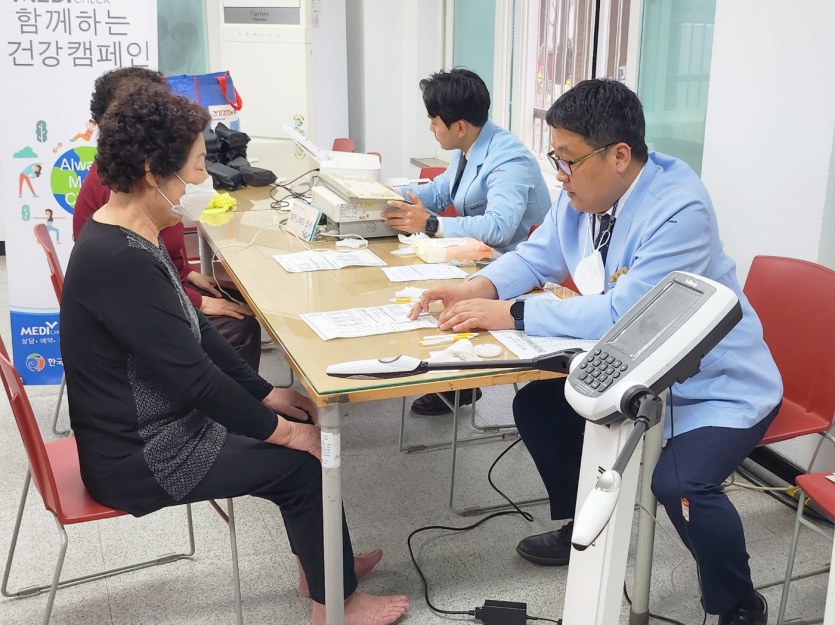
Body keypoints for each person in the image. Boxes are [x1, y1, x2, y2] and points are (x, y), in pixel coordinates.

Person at [408, 78, 781, 625]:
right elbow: (536, 257)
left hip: (713, 385)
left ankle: (740, 605)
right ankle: (582, 524)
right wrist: (474, 289)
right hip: (633, 371)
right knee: (538, 407)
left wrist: (512, 313)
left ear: (619, 156)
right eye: (555, 159)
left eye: (568, 160)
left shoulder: (680, 208)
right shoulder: (584, 194)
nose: (559, 175)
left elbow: (628, 314)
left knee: (681, 484)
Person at [60, 84, 409, 625]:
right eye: (197, 166)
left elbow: (193, 331)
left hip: (160, 427)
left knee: (302, 426)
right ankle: (336, 606)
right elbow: (196, 380)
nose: (203, 179)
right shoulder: (119, 258)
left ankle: (323, 569)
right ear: (154, 171)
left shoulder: (130, 233)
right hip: (141, 454)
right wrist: (283, 432)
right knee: (303, 464)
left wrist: (266, 394)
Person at [384, 68, 551, 416]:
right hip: (478, 258)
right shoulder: (467, 148)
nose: (430, 128)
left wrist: (431, 223)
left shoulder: (509, 159)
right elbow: (439, 192)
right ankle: (452, 379)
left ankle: (457, 381)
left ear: (459, 126)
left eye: (434, 121)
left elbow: (500, 228)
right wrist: (383, 195)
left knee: (433, 293)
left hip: (516, 268)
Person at [73, 67, 262, 371]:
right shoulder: (124, 200)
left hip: (158, 290)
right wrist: (197, 301)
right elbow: (140, 284)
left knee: (239, 299)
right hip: (138, 310)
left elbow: (161, 260)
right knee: (240, 327)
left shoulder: (139, 192)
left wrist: (187, 273)